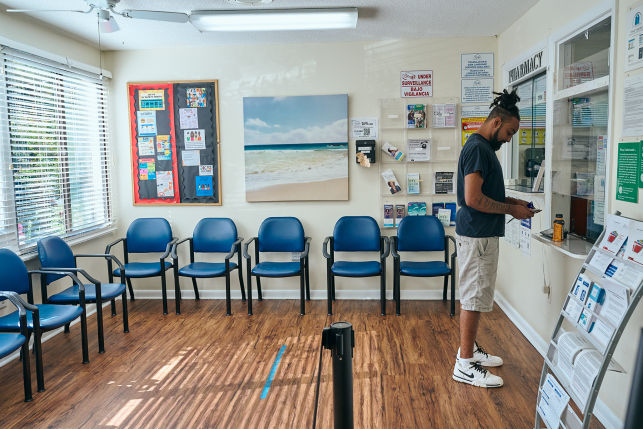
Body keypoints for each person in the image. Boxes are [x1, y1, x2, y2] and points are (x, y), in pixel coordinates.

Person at [452, 89, 535, 388]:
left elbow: (488, 195)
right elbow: (473, 198)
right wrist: (511, 208)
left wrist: (515, 203)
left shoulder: (482, 149)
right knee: (474, 299)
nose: (510, 139)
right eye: (510, 132)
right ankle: (464, 364)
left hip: (481, 234)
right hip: (478, 235)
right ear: (497, 122)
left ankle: (470, 349)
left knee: (476, 295)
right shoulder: (477, 149)